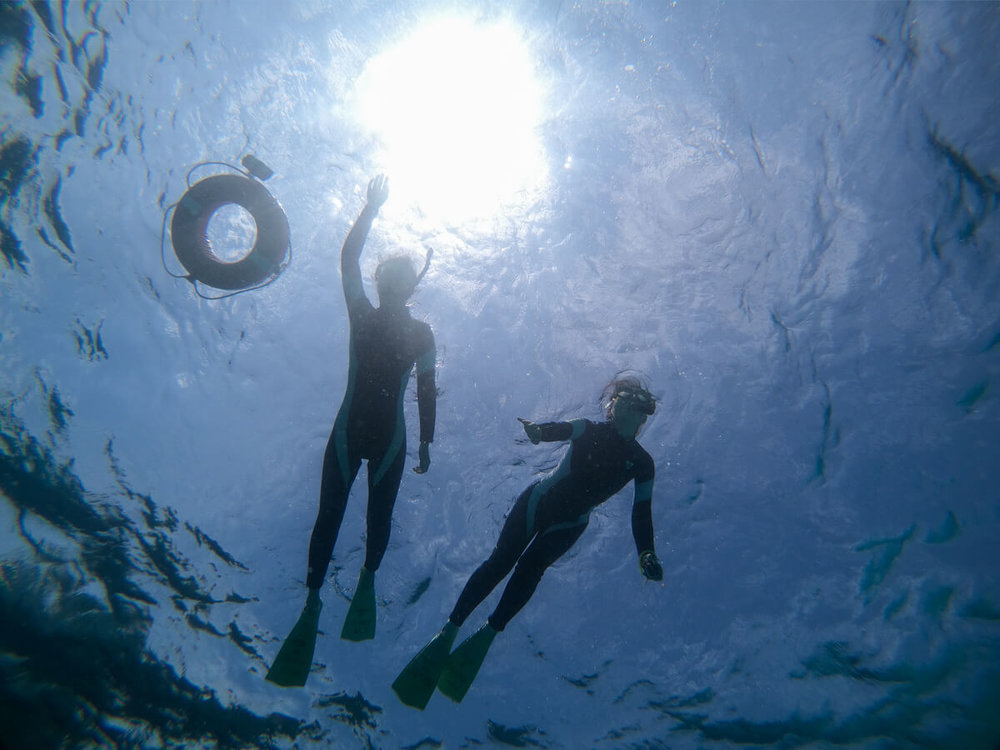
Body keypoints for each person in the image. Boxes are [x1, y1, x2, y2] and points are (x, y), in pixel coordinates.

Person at [392, 374, 663, 709]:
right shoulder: (588, 428)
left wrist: (646, 551)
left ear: (641, 412)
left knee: (530, 571)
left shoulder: (642, 464)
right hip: (536, 504)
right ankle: (450, 629)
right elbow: (559, 429)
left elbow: (641, 513)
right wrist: (538, 432)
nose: (620, 402)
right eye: (619, 395)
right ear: (614, 403)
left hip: (569, 525)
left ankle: (490, 630)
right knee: (500, 563)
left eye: (630, 398)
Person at [267, 175, 437, 687]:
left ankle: (367, 578)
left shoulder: (422, 333)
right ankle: (313, 600)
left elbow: (427, 389)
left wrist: (427, 441)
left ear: (412, 287)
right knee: (329, 518)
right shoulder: (360, 312)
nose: (393, 283)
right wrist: (369, 210)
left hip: (389, 441)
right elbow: (347, 261)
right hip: (349, 435)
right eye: (388, 276)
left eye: (403, 277)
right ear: (381, 281)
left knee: (377, 520)